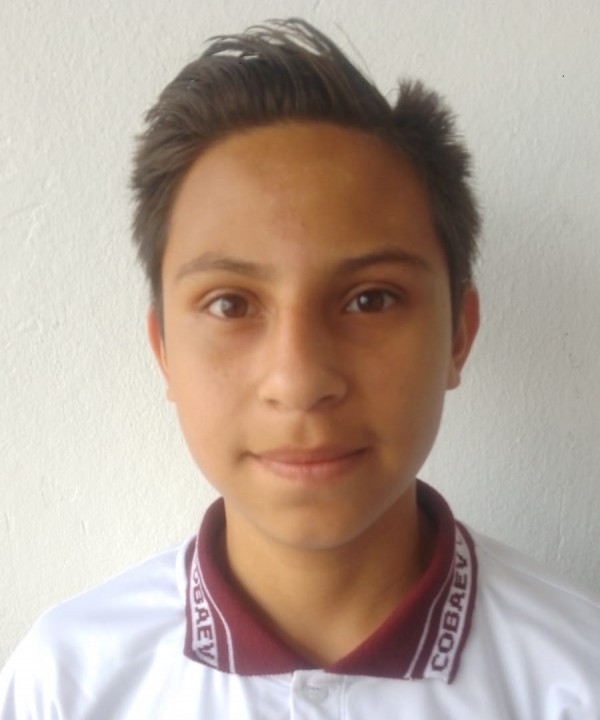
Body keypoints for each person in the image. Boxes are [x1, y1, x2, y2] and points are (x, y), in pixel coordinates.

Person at [1, 17, 598, 719]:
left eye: (371, 299)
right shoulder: (68, 685)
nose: (299, 380)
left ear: (458, 336)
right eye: (230, 304)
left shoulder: (576, 680)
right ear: (163, 350)